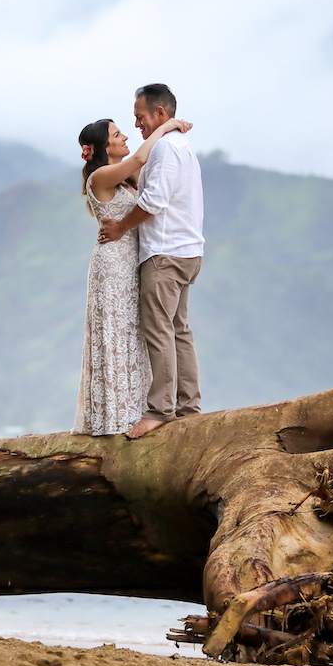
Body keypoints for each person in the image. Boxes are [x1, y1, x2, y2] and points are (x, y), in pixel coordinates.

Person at [72, 115, 193, 436]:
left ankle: (136, 410)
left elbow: (151, 184)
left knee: (135, 335)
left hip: (134, 262)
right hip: (113, 266)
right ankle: (114, 418)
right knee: (117, 334)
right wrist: (164, 127)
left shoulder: (127, 179)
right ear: (103, 146)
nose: (125, 136)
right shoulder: (99, 176)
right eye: (117, 134)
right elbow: (141, 157)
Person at [98, 84, 204, 439]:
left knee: (158, 331)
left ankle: (160, 410)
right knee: (179, 330)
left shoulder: (165, 149)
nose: (137, 125)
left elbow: (154, 200)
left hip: (165, 252)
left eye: (140, 117)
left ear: (160, 113)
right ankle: (189, 407)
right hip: (187, 251)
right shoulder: (181, 146)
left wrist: (121, 228)